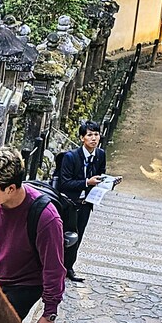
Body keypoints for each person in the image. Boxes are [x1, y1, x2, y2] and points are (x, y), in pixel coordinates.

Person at [0, 147, 66, 323]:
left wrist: (49, 313)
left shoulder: (46, 217)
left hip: (25, 283)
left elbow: (53, 268)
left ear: (11, 188)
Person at [58, 120, 106, 282]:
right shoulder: (71, 157)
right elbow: (64, 183)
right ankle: (57, 265)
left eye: (96, 134)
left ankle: (69, 267)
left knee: (78, 235)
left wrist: (108, 182)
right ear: (82, 138)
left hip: (86, 204)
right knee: (64, 236)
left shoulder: (100, 155)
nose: (94, 138)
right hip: (70, 204)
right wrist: (87, 182)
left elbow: (100, 175)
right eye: (90, 135)